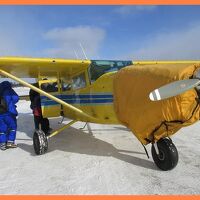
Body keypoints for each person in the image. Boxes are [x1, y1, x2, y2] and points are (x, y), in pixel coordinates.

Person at [0, 81, 19, 149]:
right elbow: (16, 98)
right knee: (12, 127)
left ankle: (2, 144)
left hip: (0, 114)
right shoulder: (9, 90)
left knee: (2, 129)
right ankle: (10, 142)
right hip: (9, 113)